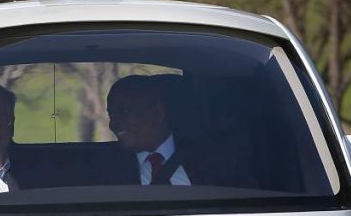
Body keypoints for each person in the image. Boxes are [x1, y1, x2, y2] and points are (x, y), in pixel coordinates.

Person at [106, 75, 255, 188]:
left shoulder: (220, 160)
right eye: (111, 115)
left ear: (158, 113)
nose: (112, 124)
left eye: (124, 112)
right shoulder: (104, 169)